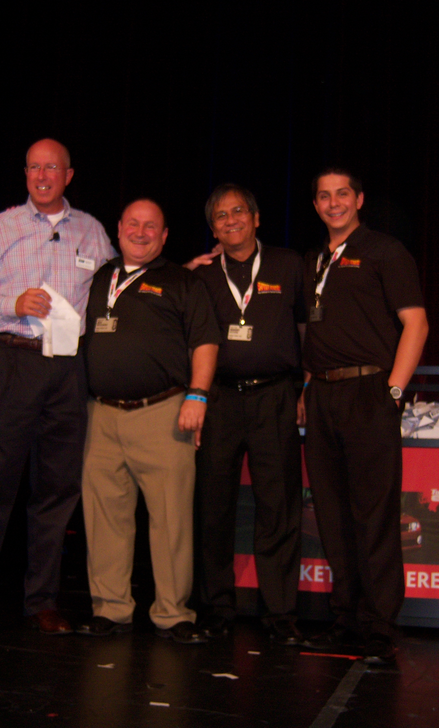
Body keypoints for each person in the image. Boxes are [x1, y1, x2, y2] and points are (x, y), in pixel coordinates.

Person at [0, 139, 116, 636]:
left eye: (53, 168)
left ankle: (42, 601)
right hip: (11, 361)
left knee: (57, 491)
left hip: (67, 370)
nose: (44, 175)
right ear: (26, 174)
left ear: (69, 175)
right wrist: (12, 302)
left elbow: (124, 280)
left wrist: (190, 270)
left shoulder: (92, 231)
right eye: (35, 167)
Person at [298, 167, 428, 662]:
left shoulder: (385, 252)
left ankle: (379, 623)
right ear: (315, 205)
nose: (334, 203)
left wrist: (393, 390)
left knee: (373, 513)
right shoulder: (313, 261)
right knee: (331, 512)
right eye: (324, 196)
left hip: (370, 391)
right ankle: (346, 615)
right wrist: (309, 385)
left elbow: (416, 322)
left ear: (359, 199)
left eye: (342, 195)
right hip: (324, 396)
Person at [77, 199, 221, 644]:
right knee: (104, 518)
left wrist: (197, 395)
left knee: (171, 519)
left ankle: (174, 613)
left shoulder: (182, 280)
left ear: (164, 236)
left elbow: (206, 341)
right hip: (101, 416)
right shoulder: (99, 277)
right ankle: (110, 608)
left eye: (151, 227)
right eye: (133, 224)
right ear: (118, 229)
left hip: (163, 413)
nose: (140, 232)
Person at [189, 184, 306, 645]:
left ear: (256, 218)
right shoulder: (201, 276)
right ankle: (217, 608)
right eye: (221, 215)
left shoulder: (288, 264)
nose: (231, 220)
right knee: (213, 507)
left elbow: (306, 328)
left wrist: (307, 384)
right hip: (218, 401)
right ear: (212, 227)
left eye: (239, 211)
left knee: (278, 507)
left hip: (274, 397)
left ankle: (280, 614)